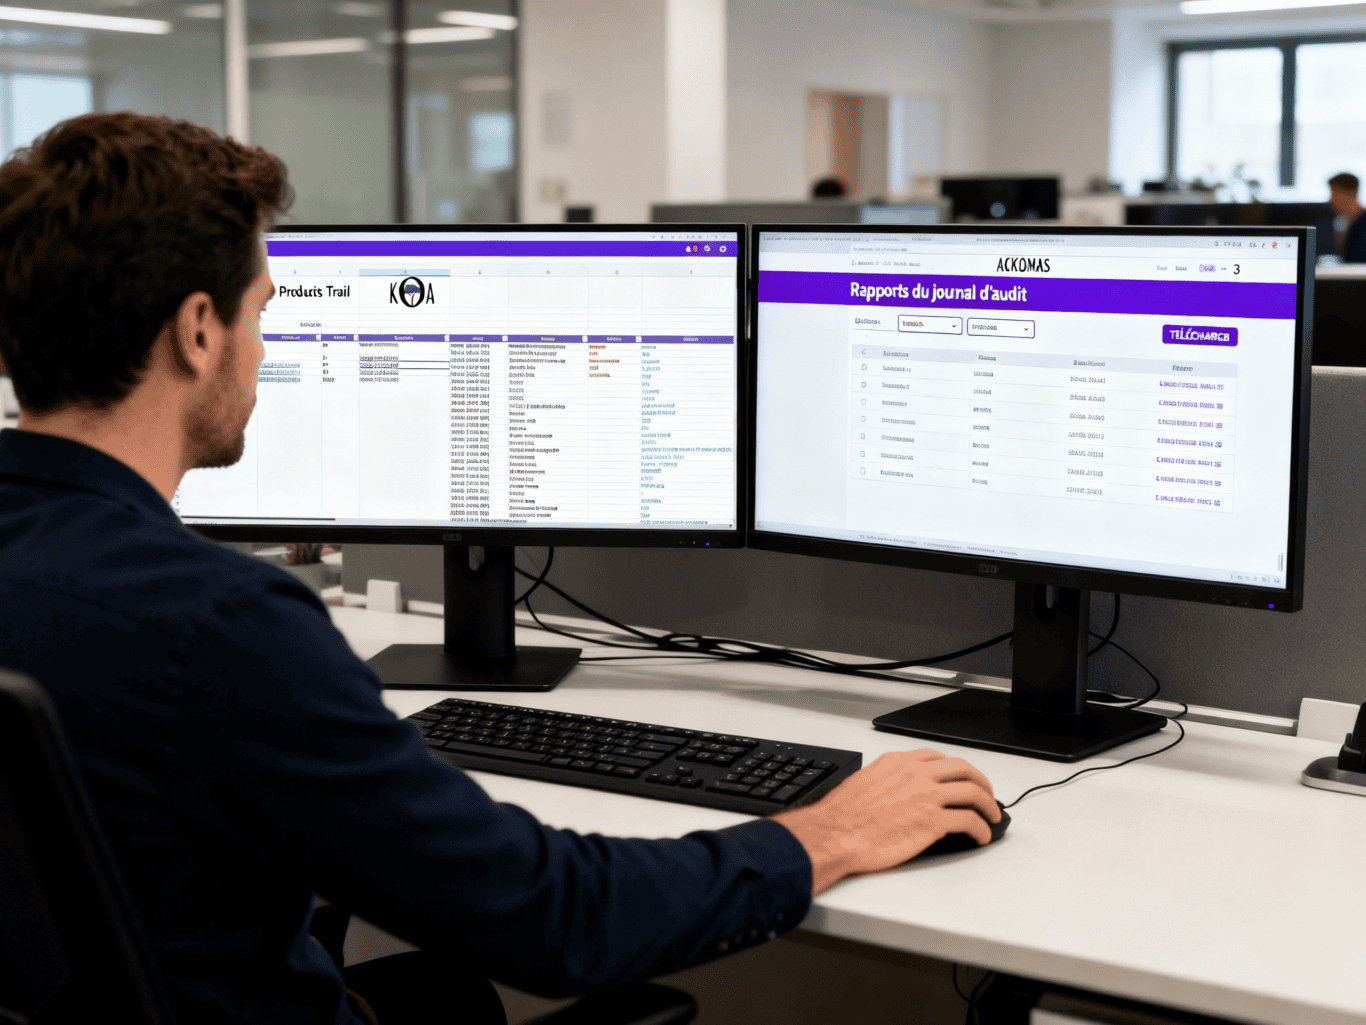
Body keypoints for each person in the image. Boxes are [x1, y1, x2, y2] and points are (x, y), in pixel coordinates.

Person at [0, 113, 1001, 1025]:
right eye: (262, 310)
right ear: (198, 329)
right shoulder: (220, 623)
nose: (266, 351)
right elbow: (551, 920)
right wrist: (822, 834)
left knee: (442, 990)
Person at [1328, 172, 1366, 263]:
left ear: (1350, 193)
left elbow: (1357, 259)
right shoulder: (1345, 221)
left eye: (1334, 194)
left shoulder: (1363, 223)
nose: (1331, 201)